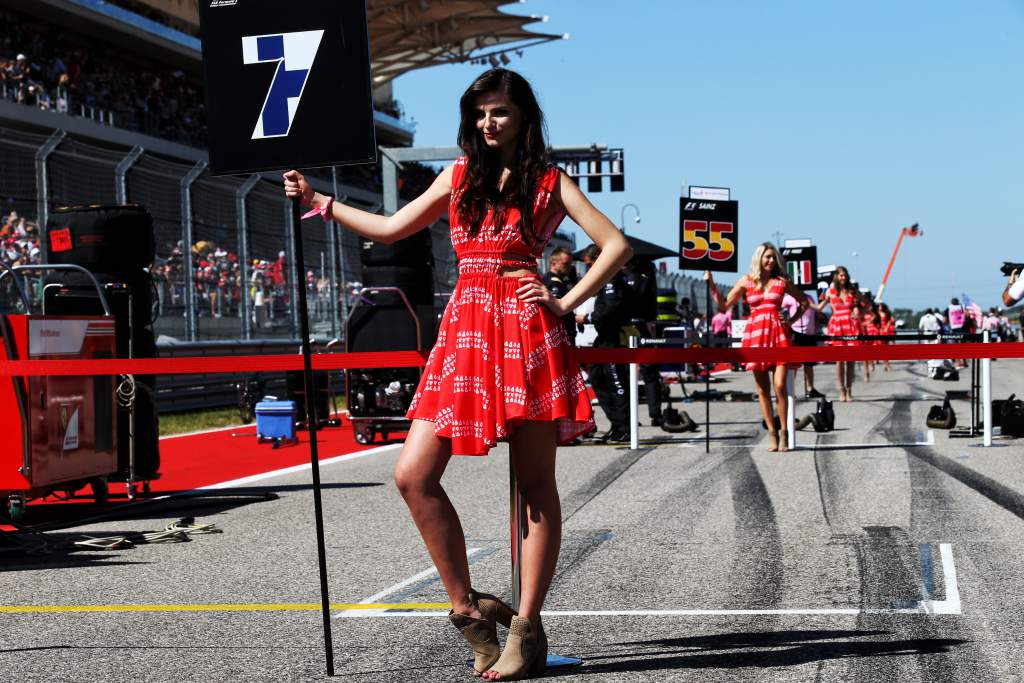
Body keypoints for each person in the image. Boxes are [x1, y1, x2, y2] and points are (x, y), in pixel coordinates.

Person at [284, 68, 631, 680]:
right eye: (479, 113)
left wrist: (564, 300)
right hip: (465, 331)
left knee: (534, 488)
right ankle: (470, 611)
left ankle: (525, 626)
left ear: (523, 114)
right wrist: (320, 203)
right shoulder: (459, 176)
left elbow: (614, 244)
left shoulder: (551, 180)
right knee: (413, 474)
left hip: (525, 330)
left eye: (499, 111)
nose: (487, 123)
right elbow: (393, 228)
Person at [705, 242, 810, 452]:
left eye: (773, 257)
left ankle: (784, 432)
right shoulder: (746, 281)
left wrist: (790, 320)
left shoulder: (782, 282)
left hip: (778, 335)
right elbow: (724, 305)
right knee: (762, 389)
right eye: (767, 257)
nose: (771, 261)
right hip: (755, 336)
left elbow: (804, 301)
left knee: (780, 385)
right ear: (759, 258)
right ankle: (771, 432)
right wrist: (711, 285)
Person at [575, 244, 631, 443]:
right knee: (597, 379)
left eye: (590, 265)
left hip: (613, 339)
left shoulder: (612, 278)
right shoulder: (604, 279)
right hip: (602, 339)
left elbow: (611, 309)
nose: (588, 269)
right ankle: (617, 424)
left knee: (617, 383)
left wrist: (586, 319)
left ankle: (626, 426)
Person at [812, 266, 868, 402]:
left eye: (845, 275)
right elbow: (819, 307)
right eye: (841, 275)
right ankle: (841, 389)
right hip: (837, 326)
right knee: (839, 361)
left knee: (851, 360)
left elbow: (866, 304)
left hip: (850, 325)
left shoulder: (852, 291)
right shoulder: (830, 291)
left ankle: (849, 390)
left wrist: (858, 313)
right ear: (836, 276)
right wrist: (805, 303)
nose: (843, 278)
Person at [622, 255, 664, 426]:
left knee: (624, 372)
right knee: (649, 372)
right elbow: (651, 307)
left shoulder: (619, 278)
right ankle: (655, 414)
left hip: (624, 328)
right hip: (642, 326)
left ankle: (628, 416)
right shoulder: (645, 279)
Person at [782, 290, 824, 399]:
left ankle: (810, 388)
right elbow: (779, 307)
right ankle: (791, 390)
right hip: (796, 332)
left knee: (809, 364)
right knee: (793, 365)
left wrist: (816, 328)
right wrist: (786, 321)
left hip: (809, 333)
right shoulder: (789, 297)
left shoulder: (809, 297)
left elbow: (816, 312)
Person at [541, 246, 578, 345]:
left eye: (571, 264)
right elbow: (557, 309)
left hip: (565, 332)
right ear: (554, 263)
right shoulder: (553, 282)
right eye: (565, 264)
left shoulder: (563, 280)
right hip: (560, 334)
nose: (569, 267)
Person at [878, 303, 896, 371]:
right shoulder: (877, 313)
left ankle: (887, 364)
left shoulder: (886, 313)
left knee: (885, 348)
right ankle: (886, 364)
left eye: (880, 306)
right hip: (879, 332)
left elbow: (890, 320)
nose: (879, 307)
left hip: (885, 332)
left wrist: (886, 327)